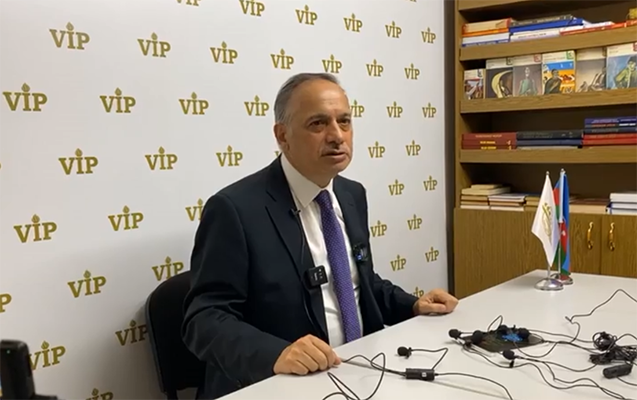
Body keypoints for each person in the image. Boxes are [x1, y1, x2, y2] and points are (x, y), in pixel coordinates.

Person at [181, 72, 459, 400]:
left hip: (360, 373)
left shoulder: (352, 195)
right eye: (318, 123)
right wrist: (275, 354)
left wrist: (412, 305)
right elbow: (204, 319)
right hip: (282, 386)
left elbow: (359, 283)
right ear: (282, 135)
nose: (337, 136)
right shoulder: (235, 209)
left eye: (344, 121)